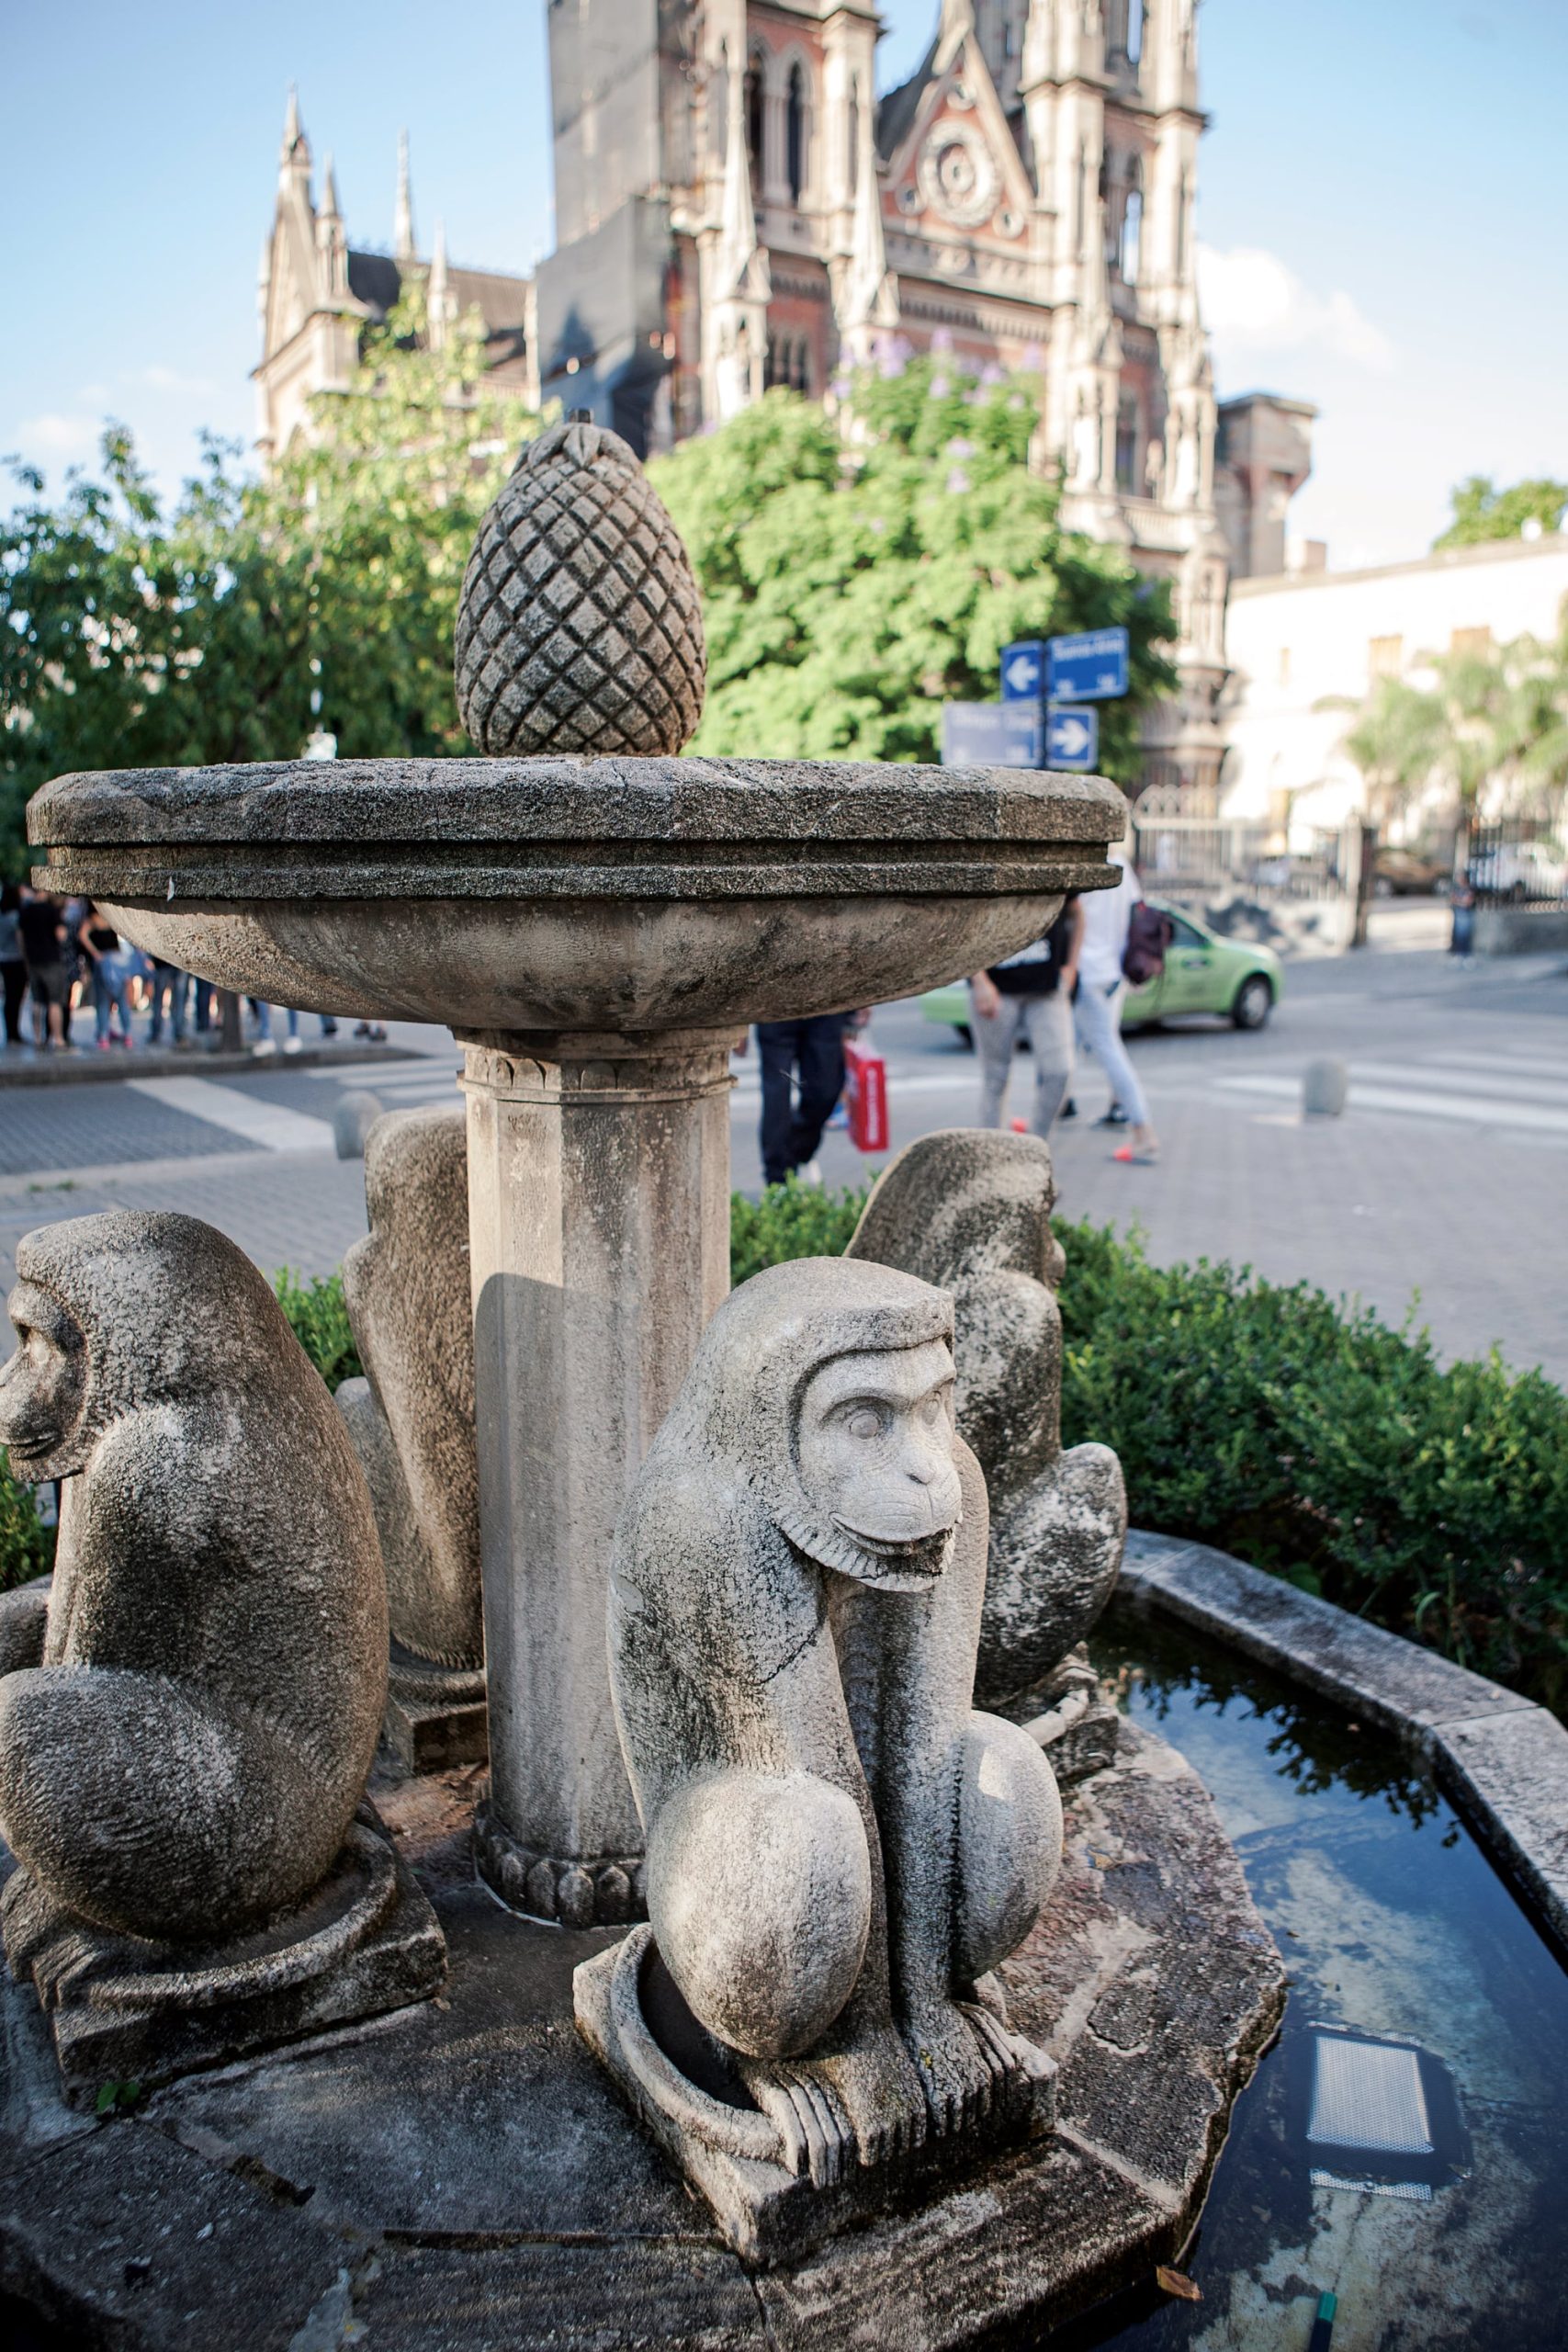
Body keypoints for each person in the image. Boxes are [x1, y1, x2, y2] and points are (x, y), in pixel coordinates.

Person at [1074, 849, 1159, 1165]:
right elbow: (1138, 912)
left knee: (1107, 1050)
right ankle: (1069, 1107)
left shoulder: (1082, 863)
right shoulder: (1121, 862)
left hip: (1088, 970)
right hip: (1115, 971)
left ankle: (1143, 1130)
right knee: (1083, 1045)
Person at [970, 896, 1081, 1136]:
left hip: (1046, 989)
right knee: (996, 1079)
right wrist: (978, 979)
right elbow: (966, 920)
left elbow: (1077, 913)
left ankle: (1035, 1143)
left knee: (1059, 1071)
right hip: (998, 989)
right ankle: (993, 1154)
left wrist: (1072, 965)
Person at [756, 1013, 846, 1189]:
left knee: (825, 1092)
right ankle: (777, 1179)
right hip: (774, 1007)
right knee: (777, 1095)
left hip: (826, 1005)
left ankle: (796, 1151)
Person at [17, 888, 71, 1051]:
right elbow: (61, 935)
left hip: (33, 961)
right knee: (55, 1001)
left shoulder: (25, 911)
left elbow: (19, 936)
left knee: (37, 1002)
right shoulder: (52, 911)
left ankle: (38, 1038)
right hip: (52, 960)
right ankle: (58, 1038)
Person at [82, 904, 136, 1049]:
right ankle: (127, 1034)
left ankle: (104, 1035)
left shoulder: (93, 920)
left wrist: (95, 954)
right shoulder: (111, 917)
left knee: (103, 1001)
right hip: (116, 961)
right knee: (121, 1000)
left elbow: (82, 935)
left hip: (104, 962)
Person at [0, 883, 27, 1047]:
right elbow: (20, 939)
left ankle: (11, 1033)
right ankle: (13, 1033)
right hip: (16, 959)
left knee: (9, 997)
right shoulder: (15, 917)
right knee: (15, 997)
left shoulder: (2, 916)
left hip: (3, 958)